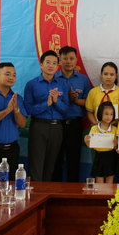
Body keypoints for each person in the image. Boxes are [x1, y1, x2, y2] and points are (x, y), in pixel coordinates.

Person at [24, 50, 70, 182]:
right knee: (36, 165)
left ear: (57, 67)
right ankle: (35, 193)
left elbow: (66, 110)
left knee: (51, 166)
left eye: (54, 63)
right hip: (39, 126)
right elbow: (28, 109)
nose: (51, 65)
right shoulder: (32, 84)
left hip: (57, 128)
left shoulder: (63, 84)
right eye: (48, 62)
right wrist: (46, 104)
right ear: (41, 64)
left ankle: (46, 193)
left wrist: (56, 101)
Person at [53, 46, 91, 182]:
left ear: (76, 60)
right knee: (55, 161)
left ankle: (72, 190)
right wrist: (65, 98)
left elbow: (89, 102)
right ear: (60, 60)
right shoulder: (53, 78)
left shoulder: (83, 80)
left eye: (71, 58)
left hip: (74, 125)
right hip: (56, 125)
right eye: (65, 58)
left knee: (73, 161)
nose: (68, 61)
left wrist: (76, 100)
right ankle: (55, 191)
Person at [84, 101, 117, 183]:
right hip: (98, 156)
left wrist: (116, 144)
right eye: (106, 114)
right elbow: (91, 146)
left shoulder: (115, 129)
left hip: (111, 157)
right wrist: (86, 141)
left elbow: (116, 146)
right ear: (100, 114)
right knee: (99, 180)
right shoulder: (94, 129)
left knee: (110, 179)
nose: (109, 117)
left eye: (111, 114)